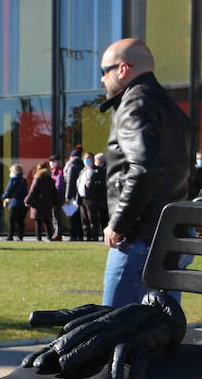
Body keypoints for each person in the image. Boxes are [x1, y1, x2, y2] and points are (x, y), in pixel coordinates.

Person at [98, 38, 190, 306]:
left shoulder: (134, 103)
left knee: (114, 330)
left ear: (123, 68)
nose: (103, 79)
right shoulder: (171, 108)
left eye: (104, 71)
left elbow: (145, 168)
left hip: (139, 240)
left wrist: (118, 224)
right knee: (160, 330)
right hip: (167, 238)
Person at [26, 161, 59, 240]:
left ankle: (39, 238)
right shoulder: (50, 180)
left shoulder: (37, 179)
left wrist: (27, 200)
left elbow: (32, 191)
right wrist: (55, 202)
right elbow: (54, 192)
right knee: (47, 221)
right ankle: (49, 237)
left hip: (37, 203)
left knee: (38, 222)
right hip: (48, 203)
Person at [2, 163, 27, 240]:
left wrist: (3, 197)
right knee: (21, 221)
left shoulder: (13, 179)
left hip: (14, 202)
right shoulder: (24, 180)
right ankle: (20, 236)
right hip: (22, 203)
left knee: (12, 220)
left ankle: (10, 236)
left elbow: (9, 190)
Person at [64, 147, 85, 240]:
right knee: (80, 217)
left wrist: (67, 196)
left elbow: (69, 182)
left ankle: (73, 236)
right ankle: (80, 236)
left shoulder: (71, 166)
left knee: (72, 217)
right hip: (81, 195)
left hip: (72, 195)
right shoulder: (83, 165)